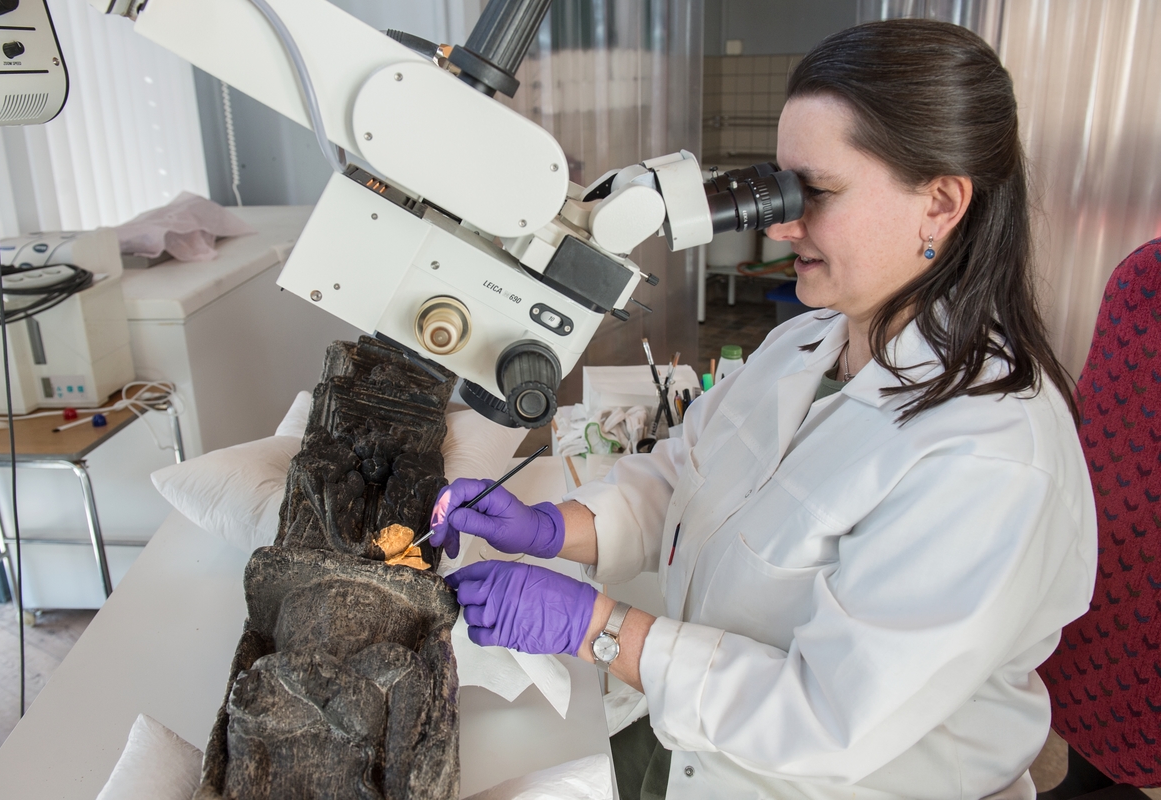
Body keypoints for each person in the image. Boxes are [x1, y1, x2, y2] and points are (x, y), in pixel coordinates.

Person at [432, 18, 1096, 799]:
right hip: (692, 737)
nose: (780, 224)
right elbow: (683, 475)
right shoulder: (803, 345)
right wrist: (555, 527)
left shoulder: (990, 457)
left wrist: (599, 629)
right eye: (781, 186)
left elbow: (826, 720)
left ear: (940, 203)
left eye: (819, 192)